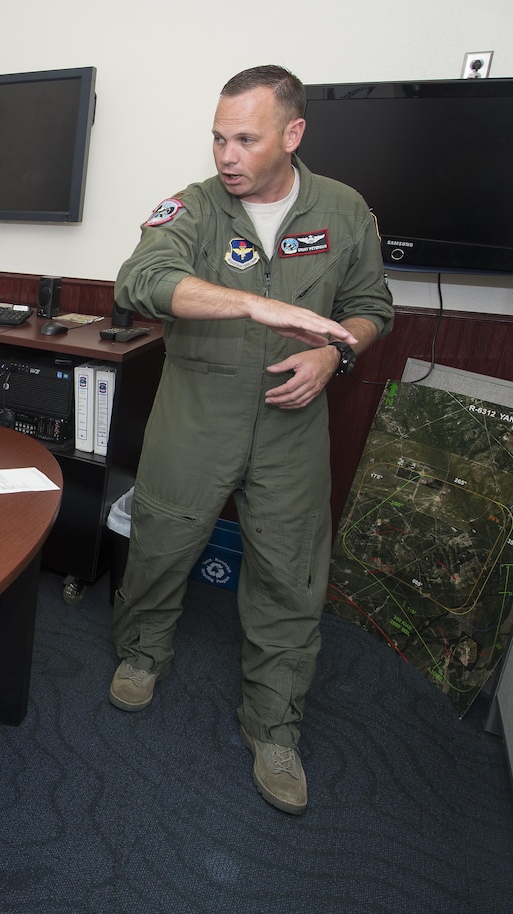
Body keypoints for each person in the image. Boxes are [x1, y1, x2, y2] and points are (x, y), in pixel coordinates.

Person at [107, 65, 395, 816]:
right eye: (217, 137)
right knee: (162, 541)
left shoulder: (343, 210)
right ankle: (142, 653)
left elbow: (370, 309)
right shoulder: (194, 208)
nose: (225, 154)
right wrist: (253, 306)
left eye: (245, 138)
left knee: (291, 573)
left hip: (292, 424)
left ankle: (274, 724)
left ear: (292, 135)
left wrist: (338, 351)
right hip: (197, 412)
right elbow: (139, 281)